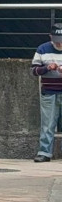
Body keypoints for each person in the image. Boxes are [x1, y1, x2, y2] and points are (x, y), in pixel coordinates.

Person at [32, 24, 62, 162]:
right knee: (47, 123)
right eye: (56, 39)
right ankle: (44, 152)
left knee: (50, 122)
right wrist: (46, 68)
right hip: (48, 90)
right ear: (50, 37)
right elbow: (33, 70)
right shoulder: (42, 49)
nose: (59, 42)